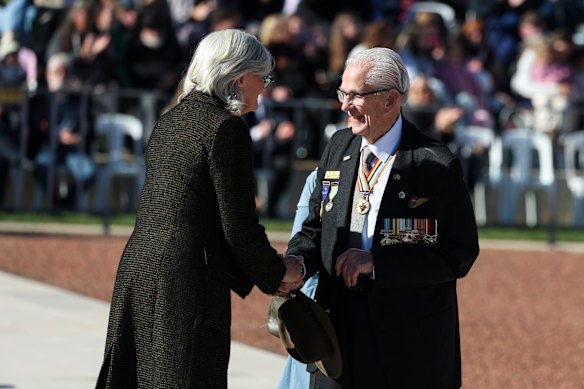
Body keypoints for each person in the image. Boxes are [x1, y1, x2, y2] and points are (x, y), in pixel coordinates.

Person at [95, 29, 304, 389]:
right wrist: (276, 272)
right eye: (263, 77)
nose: (265, 87)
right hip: (185, 281)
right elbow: (238, 226)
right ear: (240, 77)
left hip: (140, 269)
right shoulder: (226, 128)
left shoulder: (171, 120)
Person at [285, 47, 480, 389]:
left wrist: (376, 262)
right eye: (342, 92)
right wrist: (297, 263)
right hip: (336, 342)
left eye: (356, 95)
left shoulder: (433, 165)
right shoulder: (339, 145)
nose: (344, 105)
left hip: (405, 348)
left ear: (391, 100)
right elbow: (316, 225)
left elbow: (458, 253)